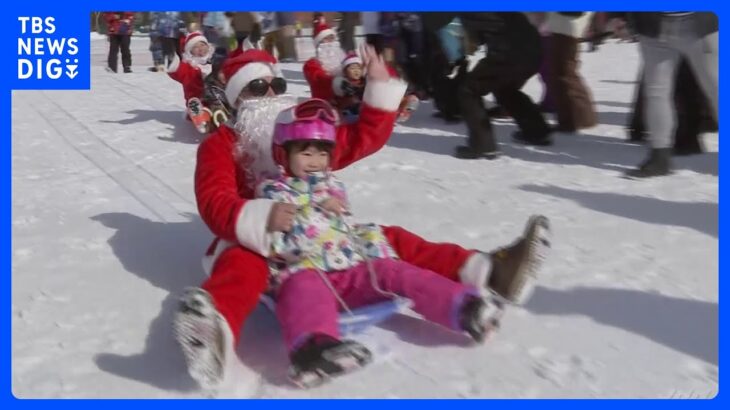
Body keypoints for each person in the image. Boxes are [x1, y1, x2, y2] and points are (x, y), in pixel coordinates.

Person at [172, 46, 551, 390]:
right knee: (242, 262)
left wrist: (379, 92)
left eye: (276, 84)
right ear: (238, 96)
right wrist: (262, 216)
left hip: (321, 233)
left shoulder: (296, 135)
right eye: (258, 87)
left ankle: (488, 270)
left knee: (388, 239)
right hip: (264, 239)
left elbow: (358, 139)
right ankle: (214, 330)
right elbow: (214, 201)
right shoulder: (223, 144)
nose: (271, 95)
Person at [255, 99, 505, 387]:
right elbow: (281, 243)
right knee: (303, 287)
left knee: (393, 271)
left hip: (349, 271)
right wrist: (308, 212)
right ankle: (314, 351)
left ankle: (465, 308)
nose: (315, 161)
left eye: (322, 153)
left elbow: (343, 232)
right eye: (305, 152)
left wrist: (363, 237)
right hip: (305, 270)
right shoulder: (272, 192)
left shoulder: (332, 187)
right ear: (283, 154)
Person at [611, 13, 718, 178]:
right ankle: (659, 157)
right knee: (656, 92)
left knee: (717, 89)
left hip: (699, 23)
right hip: (653, 26)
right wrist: (618, 15)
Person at [167, 32, 215, 133]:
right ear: (190, 52)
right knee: (198, 106)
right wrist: (173, 61)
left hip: (217, 97)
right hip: (199, 99)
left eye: (202, 45)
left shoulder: (216, 61)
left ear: (208, 46)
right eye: (196, 47)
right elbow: (177, 71)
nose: (200, 48)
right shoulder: (189, 67)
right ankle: (201, 120)